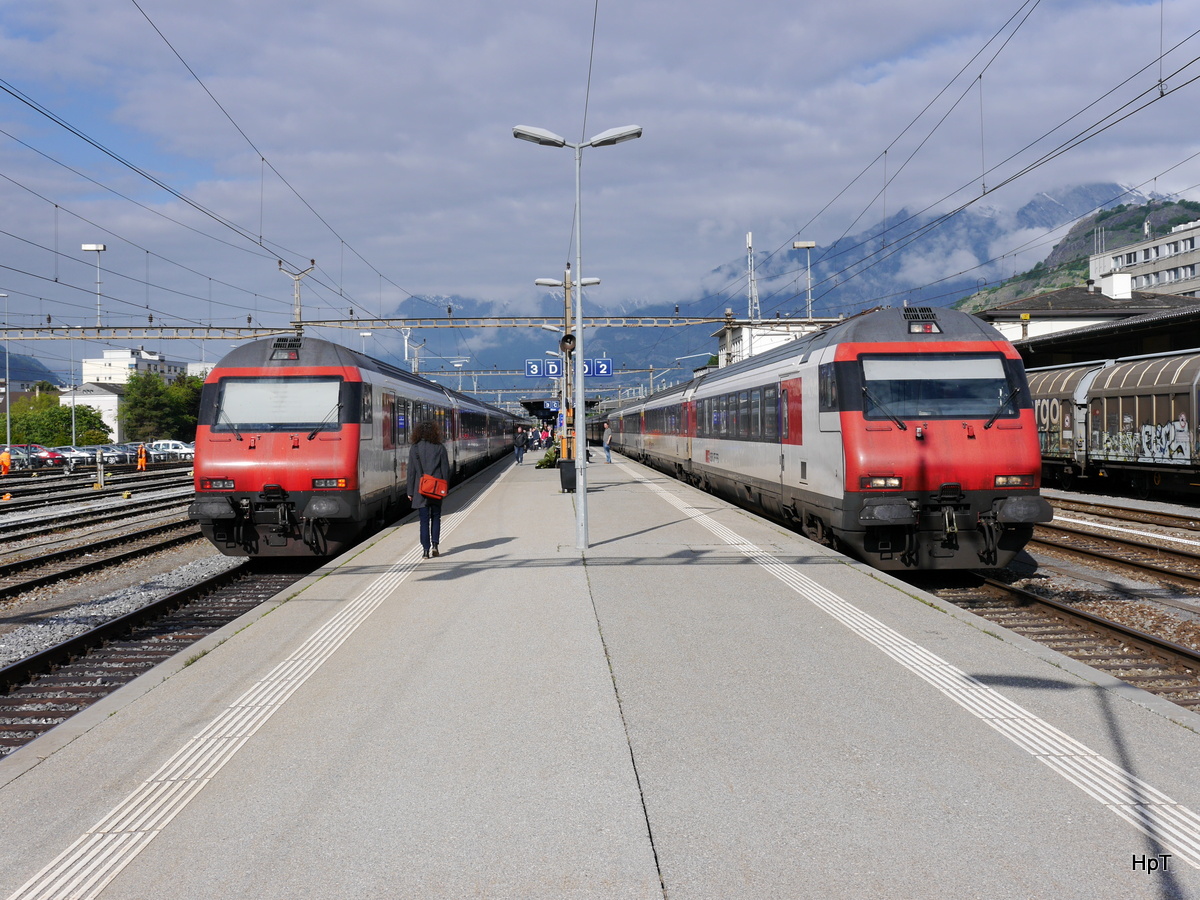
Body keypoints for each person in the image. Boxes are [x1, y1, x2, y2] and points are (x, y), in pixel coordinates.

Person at [407, 420, 450, 559]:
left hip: (420, 489)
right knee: (436, 517)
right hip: (437, 489)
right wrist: (445, 488)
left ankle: (425, 550)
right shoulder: (440, 448)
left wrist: (409, 491)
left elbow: (411, 472)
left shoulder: (415, 448)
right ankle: (435, 545)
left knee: (423, 520)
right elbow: (445, 470)